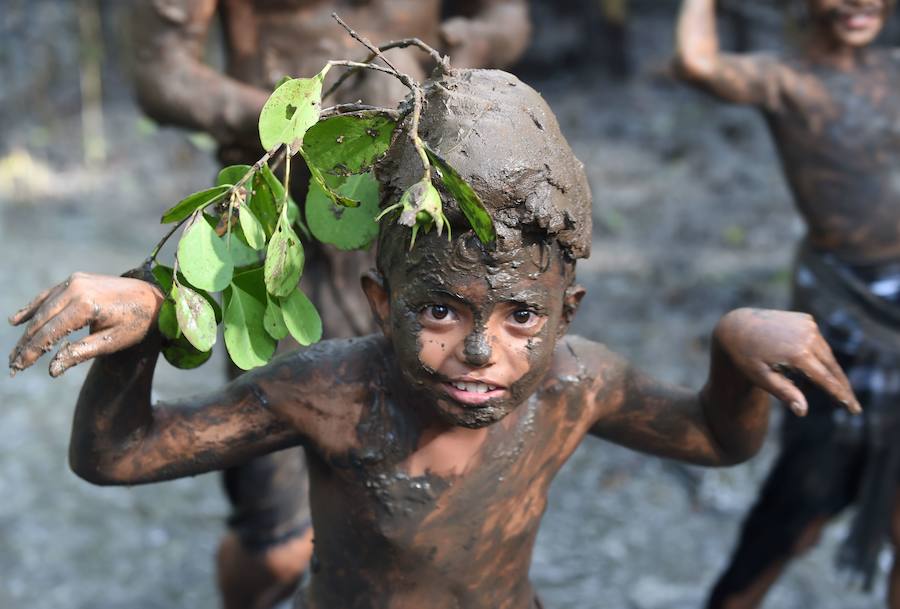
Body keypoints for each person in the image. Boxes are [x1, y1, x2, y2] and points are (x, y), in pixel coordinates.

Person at [7, 67, 859, 609]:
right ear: (382, 302)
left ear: (568, 312)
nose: (482, 352)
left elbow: (716, 437)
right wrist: (143, 336)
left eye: (522, 315)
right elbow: (118, 456)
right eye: (441, 311)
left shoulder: (575, 386)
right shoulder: (329, 392)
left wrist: (734, 352)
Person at [130, 2, 530, 607]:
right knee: (279, 543)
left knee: (429, 490)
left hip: (416, 219)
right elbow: (162, 72)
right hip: (282, 235)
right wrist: (306, 129)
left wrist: (468, 47)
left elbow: (507, 17)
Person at [674, 0, 900, 607]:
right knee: (799, 504)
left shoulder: (893, 69)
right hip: (847, 307)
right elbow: (697, 62)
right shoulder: (786, 78)